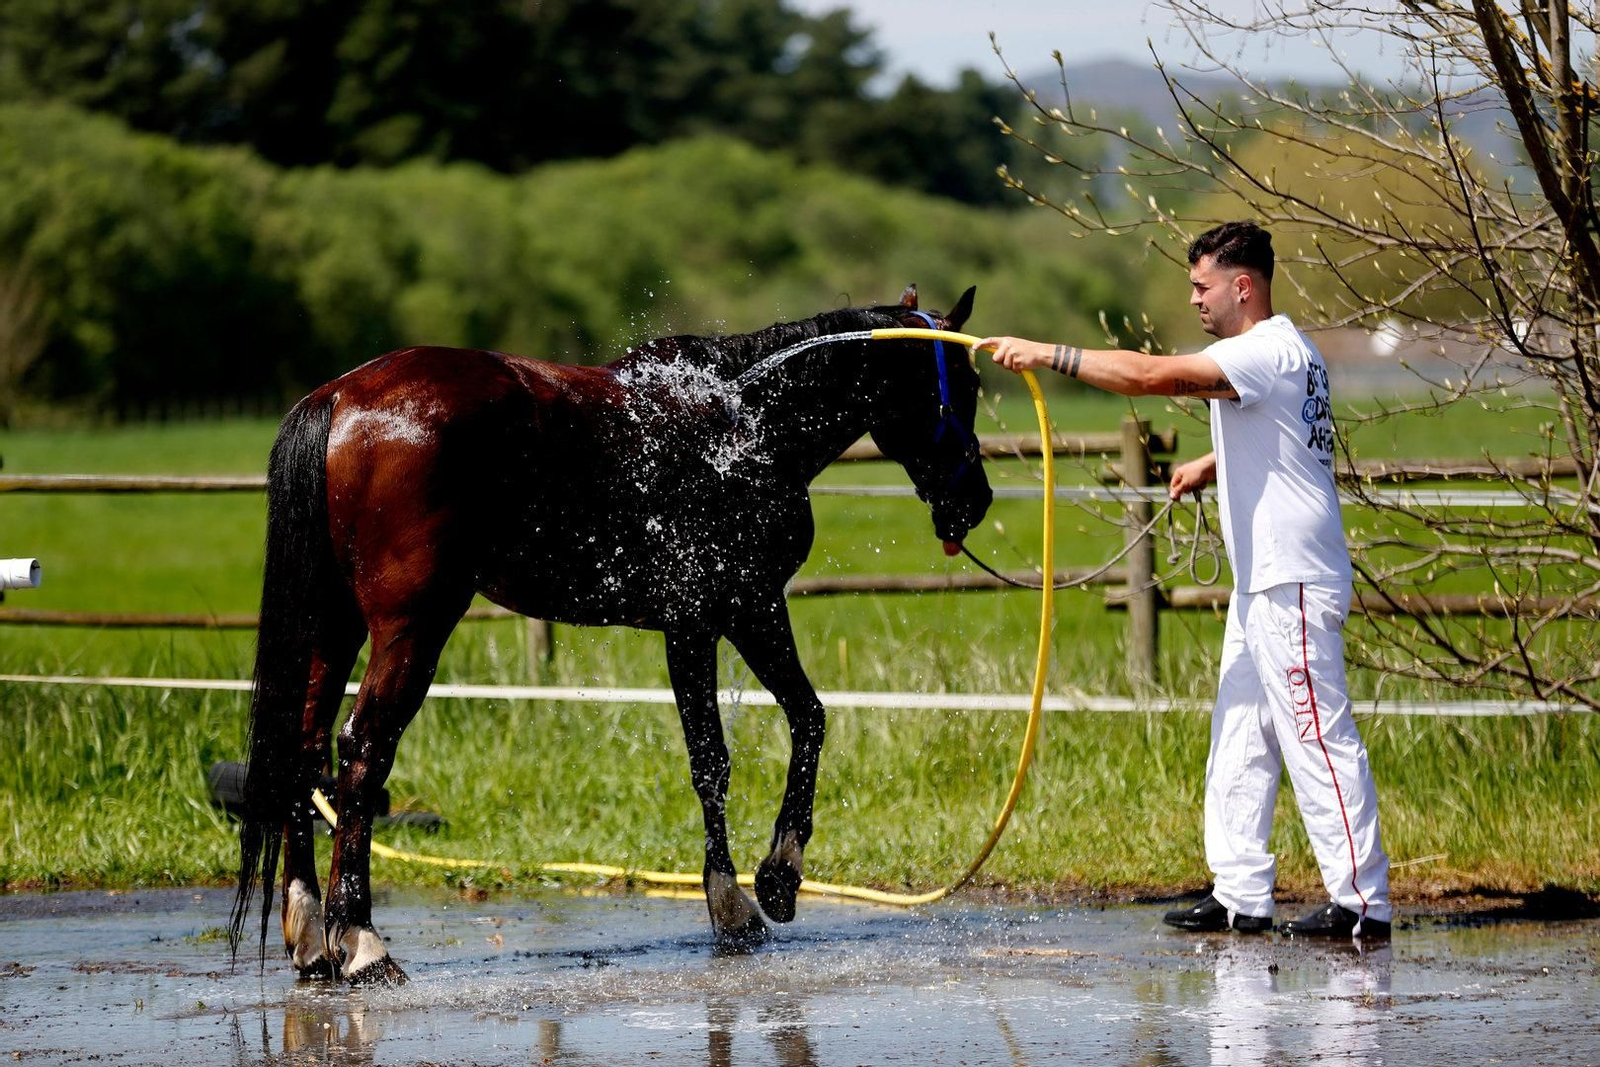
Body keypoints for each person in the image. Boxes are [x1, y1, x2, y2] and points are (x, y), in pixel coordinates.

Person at [978, 221, 1391, 939]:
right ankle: (1239, 893)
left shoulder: (1261, 350)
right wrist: (1212, 463)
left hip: (1291, 578)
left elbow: (1149, 376)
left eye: (1202, 286)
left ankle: (1362, 903)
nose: (1194, 298)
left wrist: (1047, 353)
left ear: (1242, 286)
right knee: (1239, 730)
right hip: (1265, 578)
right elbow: (1281, 432)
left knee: (1317, 735)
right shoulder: (1284, 350)